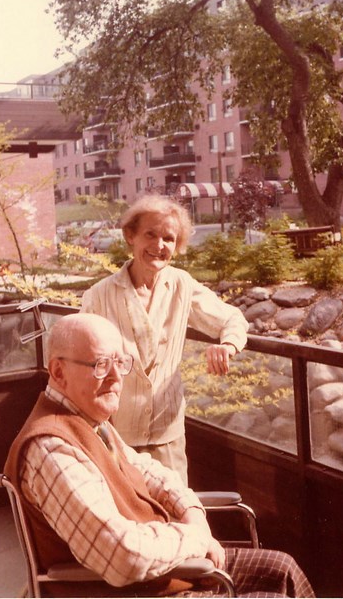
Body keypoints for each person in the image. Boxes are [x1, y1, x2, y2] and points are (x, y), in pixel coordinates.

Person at [4, 313, 315, 598]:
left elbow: (150, 473)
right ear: (59, 371)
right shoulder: (51, 448)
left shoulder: (89, 421)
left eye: (120, 362)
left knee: (282, 569)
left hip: (162, 572)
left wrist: (192, 512)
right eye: (100, 364)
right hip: (130, 591)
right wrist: (194, 538)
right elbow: (122, 556)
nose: (116, 377)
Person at [80, 195, 249, 483]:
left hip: (167, 436)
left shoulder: (182, 284)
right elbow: (82, 362)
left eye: (168, 239)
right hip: (116, 435)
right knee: (128, 519)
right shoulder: (99, 295)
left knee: (175, 516)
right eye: (150, 234)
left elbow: (233, 318)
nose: (159, 245)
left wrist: (227, 345)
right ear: (130, 236)